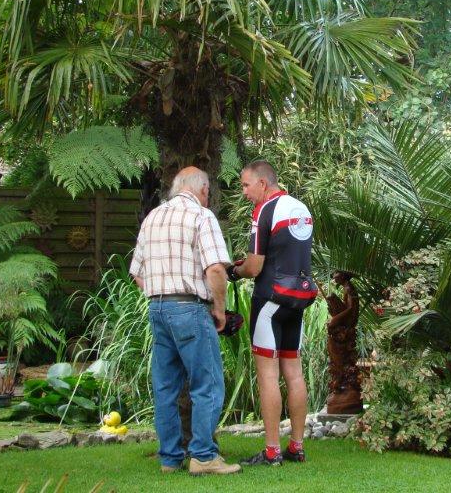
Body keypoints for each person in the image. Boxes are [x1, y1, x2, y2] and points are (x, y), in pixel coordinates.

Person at [130, 166, 241, 476]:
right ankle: (203, 456)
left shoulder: (152, 217)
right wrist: (219, 309)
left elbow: (137, 274)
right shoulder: (201, 216)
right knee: (208, 384)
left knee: (165, 387)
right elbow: (215, 269)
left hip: (157, 308)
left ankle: (170, 458)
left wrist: (161, 294)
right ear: (203, 189)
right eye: (208, 192)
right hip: (190, 308)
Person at [228, 160, 316, 466]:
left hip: (270, 301)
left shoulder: (264, 210)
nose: (244, 192)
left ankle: (271, 451)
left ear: (263, 183)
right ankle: (297, 446)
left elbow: (255, 267)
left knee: (268, 374)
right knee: (294, 373)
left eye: (245, 185)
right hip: (298, 300)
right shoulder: (301, 208)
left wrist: (234, 271)